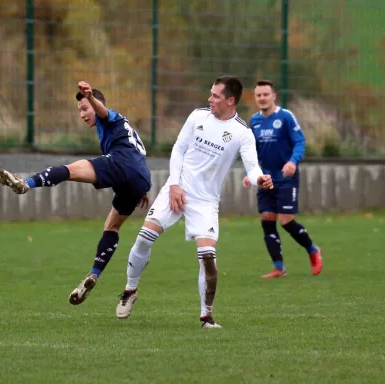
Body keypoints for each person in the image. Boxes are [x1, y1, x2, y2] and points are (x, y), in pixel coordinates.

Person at [114, 75, 274, 329]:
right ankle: (130, 290)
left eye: (216, 96)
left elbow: (252, 169)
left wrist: (260, 179)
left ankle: (206, 317)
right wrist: (175, 185)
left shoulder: (242, 133)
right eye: (210, 94)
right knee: (145, 237)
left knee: (208, 257)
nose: (210, 99)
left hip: (205, 202)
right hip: (176, 188)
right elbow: (178, 149)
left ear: (230, 100)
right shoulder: (197, 116)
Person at [0, 81, 152, 305]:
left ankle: (25, 183)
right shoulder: (125, 129)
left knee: (69, 170)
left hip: (121, 163)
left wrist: (91, 97)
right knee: (112, 226)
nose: (82, 114)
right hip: (141, 177)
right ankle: (94, 274)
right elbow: (139, 159)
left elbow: (103, 112)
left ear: (95, 104)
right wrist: (142, 189)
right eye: (80, 110)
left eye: (85, 108)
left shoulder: (110, 117)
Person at [244, 79, 323, 278]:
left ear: (273, 96)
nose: (262, 98)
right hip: (265, 179)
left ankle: (313, 249)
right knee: (267, 220)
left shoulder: (286, 117)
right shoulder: (254, 121)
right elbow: (251, 151)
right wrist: (251, 173)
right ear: (255, 98)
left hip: (287, 178)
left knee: (286, 221)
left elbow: (299, 141)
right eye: (258, 95)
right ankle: (279, 268)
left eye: (265, 94)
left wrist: (293, 162)